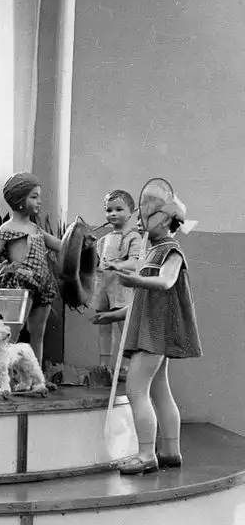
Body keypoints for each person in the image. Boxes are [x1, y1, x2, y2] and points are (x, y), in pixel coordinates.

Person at [91, 193, 201, 475]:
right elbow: (143, 301)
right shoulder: (151, 252)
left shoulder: (171, 251)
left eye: (145, 217)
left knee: (136, 389)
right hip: (150, 329)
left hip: (153, 334)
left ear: (164, 221)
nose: (139, 222)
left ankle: (145, 455)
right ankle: (170, 451)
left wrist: (136, 279)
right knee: (160, 390)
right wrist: (114, 315)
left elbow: (165, 282)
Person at [0, 173, 61, 362]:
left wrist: (81, 241)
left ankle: (35, 375)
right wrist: (2, 268)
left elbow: (61, 246)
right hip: (20, 286)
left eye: (39, 196)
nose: (39, 201)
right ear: (19, 200)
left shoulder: (36, 229)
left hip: (43, 286)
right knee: (11, 334)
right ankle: (6, 373)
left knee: (38, 334)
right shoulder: (7, 228)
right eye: (34, 197)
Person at [91, 190, 142, 373]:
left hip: (121, 286)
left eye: (119, 209)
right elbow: (97, 263)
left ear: (131, 212)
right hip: (103, 286)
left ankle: (126, 366)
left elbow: (135, 262)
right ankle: (104, 366)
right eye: (109, 210)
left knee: (124, 326)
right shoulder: (103, 240)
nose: (113, 214)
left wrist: (118, 265)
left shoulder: (133, 237)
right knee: (103, 325)